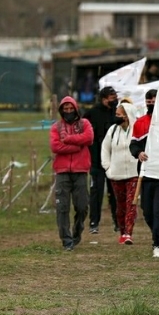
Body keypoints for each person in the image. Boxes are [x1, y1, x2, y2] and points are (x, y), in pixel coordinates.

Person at [130, 89, 159, 258]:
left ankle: (157, 245)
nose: (151, 102)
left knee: (158, 210)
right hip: (145, 175)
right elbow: (133, 145)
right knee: (147, 211)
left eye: (154, 99)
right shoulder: (139, 123)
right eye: (149, 99)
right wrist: (138, 153)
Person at [50, 96, 94, 251]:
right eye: (65, 109)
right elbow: (55, 147)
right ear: (61, 110)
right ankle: (66, 240)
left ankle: (77, 231)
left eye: (71, 108)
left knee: (82, 207)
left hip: (80, 170)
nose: (68, 111)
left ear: (76, 109)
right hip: (62, 172)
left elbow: (88, 138)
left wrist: (68, 139)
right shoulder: (56, 127)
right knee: (62, 207)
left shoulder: (85, 124)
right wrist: (76, 146)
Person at [101, 102, 140, 245]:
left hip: (134, 173)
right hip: (116, 174)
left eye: (119, 114)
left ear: (127, 115)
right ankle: (122, 231)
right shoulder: (112, 130)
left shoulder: (136, 129)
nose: (116, 117)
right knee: (120, 206)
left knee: (131, 204)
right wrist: (107, 168)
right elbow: (105, 149)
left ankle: (128, 234)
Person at [83, 86, 119, 234]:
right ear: (104, 99)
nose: (115, 101)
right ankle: (94, 222)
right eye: (112, 98)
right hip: (97, 161)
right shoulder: (92, 114)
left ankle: (118, 222)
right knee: (96, 193)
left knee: (115, 193)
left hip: (114, 161)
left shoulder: (116, 113)